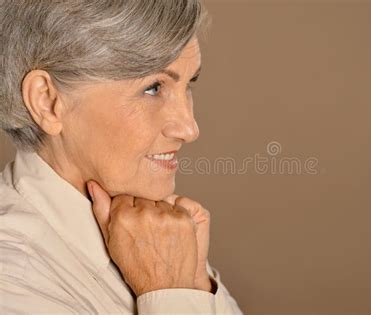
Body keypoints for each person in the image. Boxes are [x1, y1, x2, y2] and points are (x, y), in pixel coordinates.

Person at [0, 0, 243, 313]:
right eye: (153, 88)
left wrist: (190, 282)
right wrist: (171, 289)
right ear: (47, 101)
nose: (189, 128)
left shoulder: (158, 234)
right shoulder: (13, 280)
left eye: (189, 85)